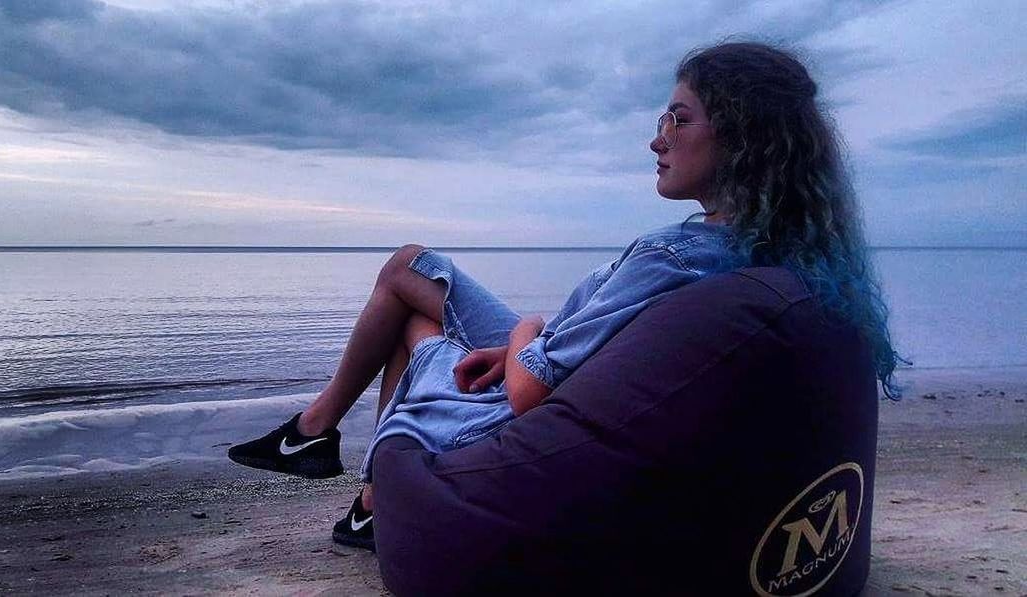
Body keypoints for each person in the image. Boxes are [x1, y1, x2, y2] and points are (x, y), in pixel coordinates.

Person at [228, 41, 900, 553]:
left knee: (413, 312)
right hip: (576, 365)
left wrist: (523, 334)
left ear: (741, 135)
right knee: (413, 268)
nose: (656, 136)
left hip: (538, 384)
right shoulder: (770, 252)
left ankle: (357, 479)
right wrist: (529, 340)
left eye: (677, 117)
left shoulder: (669, 255)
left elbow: (528, 393)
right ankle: (326, 446)